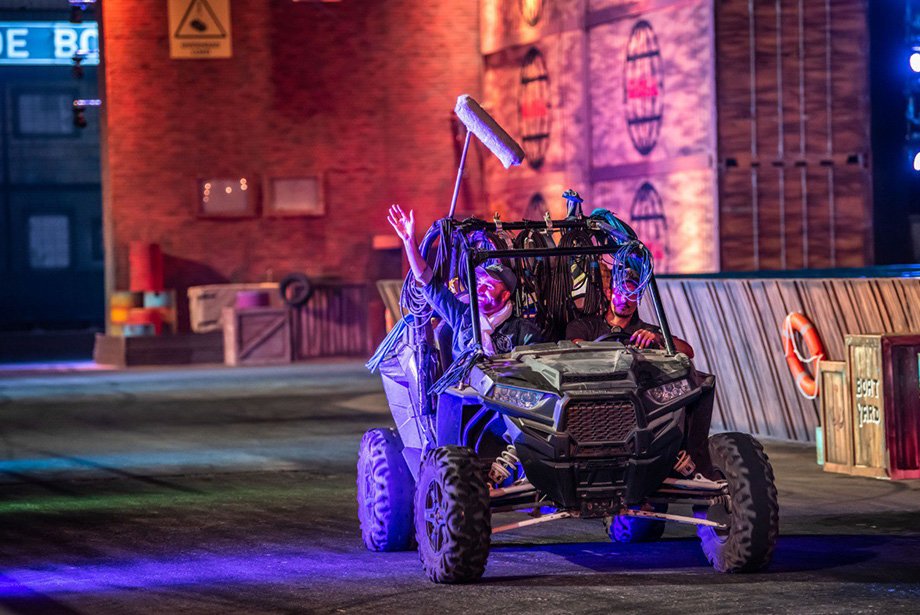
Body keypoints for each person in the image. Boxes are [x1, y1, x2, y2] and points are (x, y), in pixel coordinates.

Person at [387, 204, 543, 356]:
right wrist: (409, 241)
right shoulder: (463, 316)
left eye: (488, 286)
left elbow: (535, 364)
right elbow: (427, 281)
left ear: (505, 295)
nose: (480, 289)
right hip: (463, 375)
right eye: (479, 283)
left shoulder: (522, 330)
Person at [566, 272, 695, 358]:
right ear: (609, 293)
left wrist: (659, 338)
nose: (624, 300)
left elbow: (688, 352)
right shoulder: (584, 327)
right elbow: (576, 351)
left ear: (638, 298)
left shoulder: (646, 332)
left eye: (631, 294)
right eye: (620, 292)